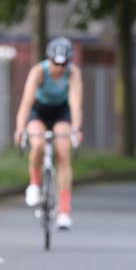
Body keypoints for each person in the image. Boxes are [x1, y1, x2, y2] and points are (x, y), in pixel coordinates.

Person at [14, 37, 83, 230]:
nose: (60, 68)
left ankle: (64, 212)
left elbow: (75, 104)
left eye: (64, 63)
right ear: (49, 59)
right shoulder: (38, 71)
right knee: (38, 144)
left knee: (63, 152)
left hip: (61, 112)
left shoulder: (73, 73)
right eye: (56, 63)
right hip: (39, 110)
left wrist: (76, 128)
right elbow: (26, 104)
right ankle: (34, 184)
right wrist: (20, 128)